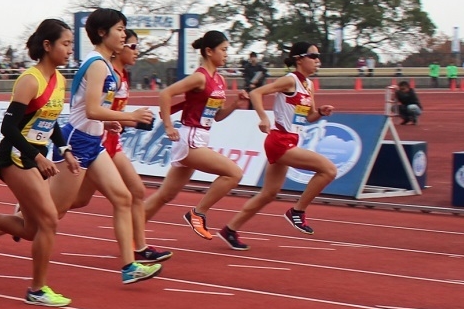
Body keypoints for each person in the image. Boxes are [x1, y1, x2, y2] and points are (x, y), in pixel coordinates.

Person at [0, 19, 79, 304]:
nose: (70, 49)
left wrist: (65, 150)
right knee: (49, 221)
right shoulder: (30, 80)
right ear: (48, 46)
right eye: (66, 44)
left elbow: (51, 121)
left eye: (71, 44)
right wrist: (36, 156)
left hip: (35, 156)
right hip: (14, 157)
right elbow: (8, 128)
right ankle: (37, 289)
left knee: (32, 229)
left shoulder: (59, 80)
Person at [61, 29, 174, 266]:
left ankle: (135, 254)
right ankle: (23, 211)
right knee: (67, 203)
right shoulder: (102, 69)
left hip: (104, 142)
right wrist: (127, 116)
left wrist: (121, 121)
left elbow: (99, 112)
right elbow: (93, 110)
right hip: (88, 141)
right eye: (131, 45)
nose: (134, 50)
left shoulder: (117, 74)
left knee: (130, 193)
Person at [220, 42, 338, 247]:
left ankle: (230, 230)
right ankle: (297, 211)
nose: (318, 61)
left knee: (269, 194)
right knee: (328, 170)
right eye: (313, 56)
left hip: (291, 139)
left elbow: (307, 117)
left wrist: (320, 112)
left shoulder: (308, 85)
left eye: (318, 56)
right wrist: (263, 118)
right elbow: (256, 93)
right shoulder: (289, 80)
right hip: (280, 141)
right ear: (299, 59)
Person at [142, 30, 248, 238]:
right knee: (233, 173)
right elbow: (166, 93)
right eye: (223, 50)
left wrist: (236, 103)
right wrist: (168, 126)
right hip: (190, 138)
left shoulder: (219, 80)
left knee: (166, 194)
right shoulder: (199, 77)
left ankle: (130, 230)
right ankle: (198, 213)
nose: (227, 54)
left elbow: (216, 117)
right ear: (209, 51)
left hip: (201, 135)